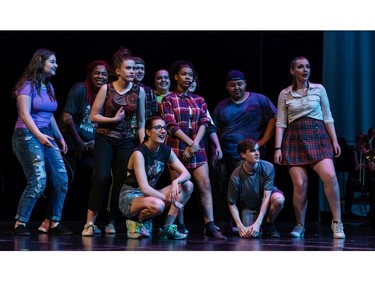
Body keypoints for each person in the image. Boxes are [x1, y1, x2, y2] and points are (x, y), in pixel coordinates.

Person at [274, 56, 345, 239]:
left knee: (330, 176)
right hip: (295, 138)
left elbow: (328, 116)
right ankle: (300, 225)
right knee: (300, 184)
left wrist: (334, 140)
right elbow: (281, 122)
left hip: (317, 135)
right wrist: (278, 148)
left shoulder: (319, 89)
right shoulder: (285, 93)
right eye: (300, 67)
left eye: (307, 66)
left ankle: (337, 223)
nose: (305, 70)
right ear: (292, 71)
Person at [81, 48, 146, 236]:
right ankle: (90, 223)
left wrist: (142, 146)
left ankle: (111, 221)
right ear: (118, 71)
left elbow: (141, 123)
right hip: (104, 138)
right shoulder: (106, 88)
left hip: (126, 140)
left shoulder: (138, 91)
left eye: (134, 68)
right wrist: (113, 121)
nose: (133, 71)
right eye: (129, 68)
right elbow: (93, 116)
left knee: (121, 179)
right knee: (101, 177)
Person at [162, 59, 226, 239]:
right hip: (176, 149)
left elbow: (205, 122)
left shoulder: (199, 99)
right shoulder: (169, 99)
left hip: (197, 148)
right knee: (182, 188)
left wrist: (195, 144)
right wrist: (190, 143)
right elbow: (170, 125)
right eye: (184, 74)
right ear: (176, 77)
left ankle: (210, 225)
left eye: (190, 75)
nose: (188, 78)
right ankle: (179, 225)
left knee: (205, 185)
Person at [11, 48, 72, 235]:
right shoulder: (26, 85)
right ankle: (20, 223)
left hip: (46, 134)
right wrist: (39, 135)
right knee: (39, 179)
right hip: (27, 134)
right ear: (40, 62)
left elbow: (50, 115)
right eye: (53, 62)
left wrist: (59, 137)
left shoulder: (48, 86)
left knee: (61, 178)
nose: (56, 65)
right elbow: (24, 113)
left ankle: (54, 221)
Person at [212, 70, 277, 233]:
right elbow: (215, 129)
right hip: (225, 154)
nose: (236, 88)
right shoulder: (221, 106)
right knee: (222, 188)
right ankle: (224, 223)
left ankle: (254, 220)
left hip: (246, 156)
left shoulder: (259, 100)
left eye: (239, 84)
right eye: (232, 85)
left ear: (245, 83)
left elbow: (274, 118)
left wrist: (262, 141)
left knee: (249, 190)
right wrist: (216, 149)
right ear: (227, 86)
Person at [118, 116, 194, 239]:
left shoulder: (165, 150)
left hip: (150, 196)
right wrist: (171, 200)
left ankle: (166, 227)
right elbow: (144, 189)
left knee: (187, 185)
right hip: (131, 197)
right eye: (158, 128)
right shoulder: (139, 153)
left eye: (164, 128)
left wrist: (176, 181)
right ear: (148, 132)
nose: (163, 131)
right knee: (159, 205)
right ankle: (135, 223)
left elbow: (186, 174)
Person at [55, 60, 111, 226]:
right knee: (65, 178)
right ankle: (52, 219)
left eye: (104, 74)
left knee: (100, 178)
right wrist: (79, 142)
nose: (100, 76)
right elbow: (67, 117)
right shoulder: (80, 88)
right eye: (97, 73)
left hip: (90, 144)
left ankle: (90, 221)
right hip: (71, 140)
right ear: (90, 74)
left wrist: (96, 142)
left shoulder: (106, 94)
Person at [228, 138, 284, 238]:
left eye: (257, 150)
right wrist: (240, 225)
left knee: (279, 199)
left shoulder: (268, 167)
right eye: (253, 151)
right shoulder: (235, 176)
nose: (257, 153)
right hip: (250, 206)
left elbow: (267, 197)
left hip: (266, 200)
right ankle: (257, 225)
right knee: (249, 235)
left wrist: (258, 223)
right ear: (243, 155)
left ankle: (269, 224)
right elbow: (232, 203)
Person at [345, 133, 375, 217]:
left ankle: (372, 212)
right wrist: (357, 167)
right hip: (357, 178)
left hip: (368, 178)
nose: (361, 143)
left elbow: (373, 168)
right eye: (359, 141)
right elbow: (349, 168)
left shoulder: (371, 152)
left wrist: (366, 155)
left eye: (363, 141)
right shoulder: (353, 152)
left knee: (373, 182)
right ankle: (348, 210)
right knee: (350, 182)